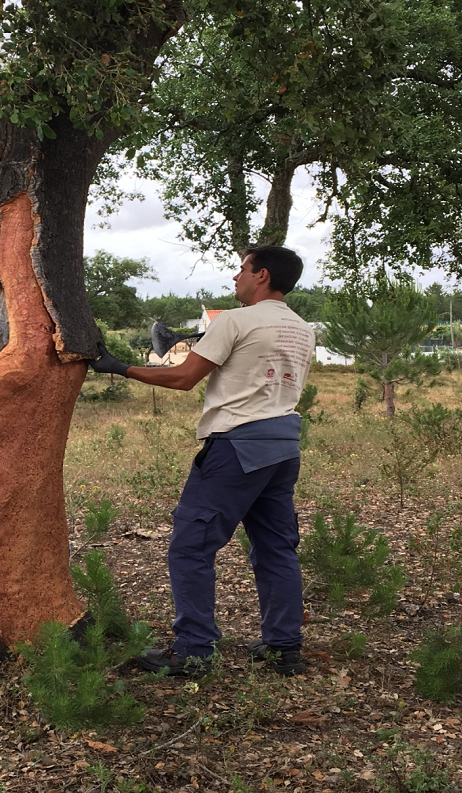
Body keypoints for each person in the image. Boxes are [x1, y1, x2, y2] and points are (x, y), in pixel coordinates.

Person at [91, 246, 316, 678]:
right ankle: (283, 648)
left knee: (191, 546)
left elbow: (181, 378)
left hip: (238, 447)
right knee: (276, 548)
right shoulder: (302, 328)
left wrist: (119, 367)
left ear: (262, 275)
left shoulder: (233, 320)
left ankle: (194, 650)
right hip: (284, 446)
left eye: (242, 269)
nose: (236, 278)